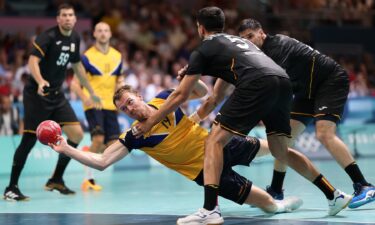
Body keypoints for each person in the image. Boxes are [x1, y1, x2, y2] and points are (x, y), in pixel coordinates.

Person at [132, 7, 351, 225]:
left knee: (213, 141)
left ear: (200, 28)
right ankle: (333, 195)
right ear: (223, 26)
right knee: (280, 150)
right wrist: (194, 119)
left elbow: (181, 95)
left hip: (256, 84)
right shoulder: (239, 44)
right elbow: (214, 97)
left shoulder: (204, 49)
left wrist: (151, 121)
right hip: (282, 83)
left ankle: (210, 210)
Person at [50, 84, 303, 214]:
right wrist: (66, 150)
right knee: (268, 205)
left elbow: (202, 91)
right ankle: (278, 203)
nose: (129, 109)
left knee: (277, 148)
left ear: (139, 95)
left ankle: (321, 184)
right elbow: (102, 161)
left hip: (218, 145)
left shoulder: (164, 97)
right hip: (205, 173)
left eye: (129, 102)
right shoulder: (134, 136)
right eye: (124, 109)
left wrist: (188, 76)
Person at [238, 18, 375, 209]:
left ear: (261, 33)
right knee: (282, 140)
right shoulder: (259, 54)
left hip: (329, 81)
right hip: (306, 91)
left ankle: (364, 185)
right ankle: (276, 190)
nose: (249, 41)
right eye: (245, 39)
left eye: (251, 36)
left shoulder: (278, 46)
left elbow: (275, 82)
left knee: (324, 133)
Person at [3, 3, 101, 201]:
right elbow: (32, 61)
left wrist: (90, 91)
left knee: (77, 134)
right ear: (58, 19)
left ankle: (56, 179)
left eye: (71, 15)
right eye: (63, 15)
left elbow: (77, 66)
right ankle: (11, 187)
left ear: (75, 19)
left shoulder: (75, 37)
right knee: (29, 140)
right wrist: (40, 81)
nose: (67, 18)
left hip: (57, 95)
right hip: (37, 94)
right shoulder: (47, 37)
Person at [70, 22, 123, 191]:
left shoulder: (117, 56)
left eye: (106, 30)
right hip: (94, 105)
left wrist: (120, 99)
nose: (103, 33)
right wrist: (85, 98)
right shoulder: (87, 57)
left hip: (110, 106)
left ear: (110, 34)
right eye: (99, 30)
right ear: (94, 34)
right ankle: (88, 180)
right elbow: (74, 84)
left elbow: (119, 81)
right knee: (98, 139)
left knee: (112, 145)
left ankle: (88, 151)